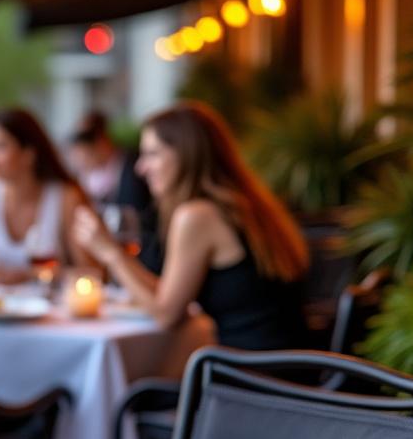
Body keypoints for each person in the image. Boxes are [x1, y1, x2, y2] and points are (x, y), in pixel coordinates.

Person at [71, 102, 309, 350]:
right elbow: (169, 295)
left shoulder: (197, 216)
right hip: (287, 368)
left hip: (251, 378)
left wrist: (110, 252)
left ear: (186, 155)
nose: (141, 168)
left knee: (138, 389)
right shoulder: (242, 205)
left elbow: (166, 315)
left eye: (152, 154)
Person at [0, 107, 95, 284]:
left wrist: (28, 275)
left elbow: (91, 274)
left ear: (28, 154)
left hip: (48, 310)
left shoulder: (65, 198)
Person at [67, 110, 158, 269]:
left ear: (102, 140)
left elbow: (140, 223)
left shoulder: (134, 171)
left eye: (84, 139)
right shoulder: (87, 177)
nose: (80, 154)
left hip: (140, 263)